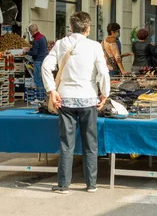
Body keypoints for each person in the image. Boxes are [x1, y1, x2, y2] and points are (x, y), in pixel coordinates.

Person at [41, 11, 110, 194]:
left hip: (65, 99)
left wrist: (52, 90)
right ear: (88, 29)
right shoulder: (95, 46)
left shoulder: (61, 44)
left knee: (66, 143)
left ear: (70, 28)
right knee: (90, 142)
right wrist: (105, 93)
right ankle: (91, 184)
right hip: (89, 99)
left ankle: (64, 185)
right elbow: (103, 72)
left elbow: (45, 67)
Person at [25, 23, 47, 88]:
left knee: (37, 80)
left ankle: (40, 97)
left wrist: (27, 52)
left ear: (31, 31)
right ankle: (43, 96)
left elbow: (35, 53)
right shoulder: (43, 37)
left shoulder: (36, 39)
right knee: (42, 80)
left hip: (38, 61)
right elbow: (41, 48)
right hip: (44, 60)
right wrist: (30, 48)